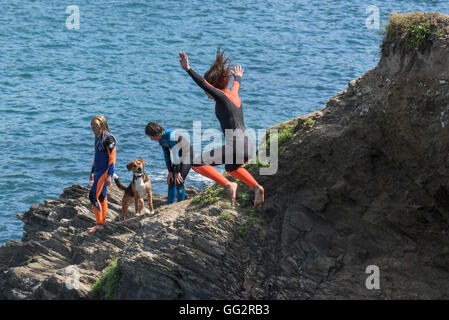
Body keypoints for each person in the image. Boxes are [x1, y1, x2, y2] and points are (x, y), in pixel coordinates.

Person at [178, 49, 264, 208]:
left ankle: (228, 185)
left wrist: (188, 69)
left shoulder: (221, 97)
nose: (207, 94)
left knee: (197, 163)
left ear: (212, 87)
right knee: (231, 168)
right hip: (249, 147)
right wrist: (238, 77)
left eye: (207, 92)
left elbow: (203, 83)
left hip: (236, 146)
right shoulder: (234, 96)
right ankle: (256, 187)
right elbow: (237, 84)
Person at [145, 122, 193, 205]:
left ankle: (179, 205)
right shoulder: (161, 139)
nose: (151, 139)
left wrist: (177, 172)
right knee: (171, 180)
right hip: (178, 157)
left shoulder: (171, 136)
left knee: (179, 181)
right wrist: (170, 171)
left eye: (151, 137)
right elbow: (166, 155)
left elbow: (175, 155)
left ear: (158, 134)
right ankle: (169, 205)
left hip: (187, 156)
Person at [88, 115, 116, 232]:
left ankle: (99, 223)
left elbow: (112, 158)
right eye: (92, 126)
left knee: (93, 196)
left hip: (104, 172)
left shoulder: (109, 139)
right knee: (101, 196)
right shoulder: (98, 137)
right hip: (98, 172)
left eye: (95, 126)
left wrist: (109, 175)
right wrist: (92, 172)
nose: (93, 128)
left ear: (102, 126)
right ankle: (101, 223)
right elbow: (96, 157)